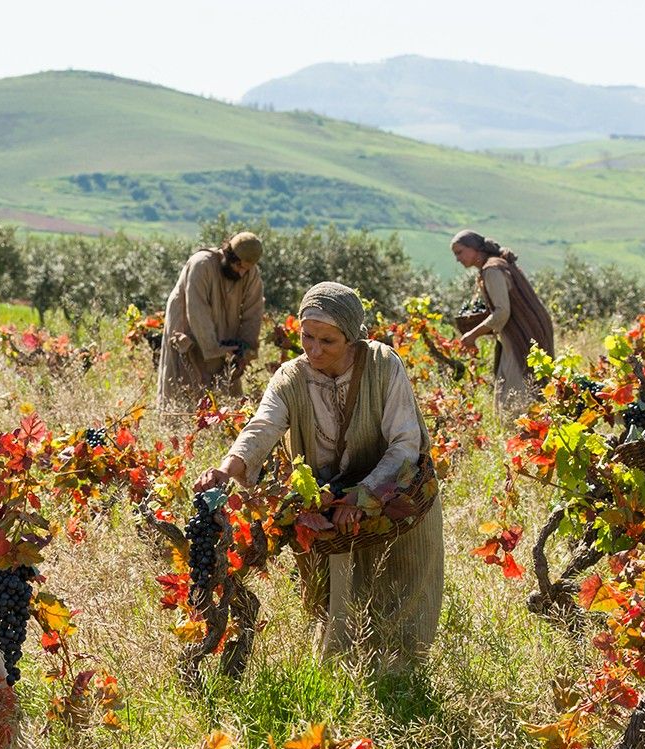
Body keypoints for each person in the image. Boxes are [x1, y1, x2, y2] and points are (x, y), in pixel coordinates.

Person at [193, 282, 443, 668]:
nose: (313, 349)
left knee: (400, 586)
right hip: (327, 504)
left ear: (353, 339)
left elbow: (405, 444)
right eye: (307, 337)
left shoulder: (383, 365)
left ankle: (399, 679)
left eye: (328, 341)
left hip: (394, 492)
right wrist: (228, 469)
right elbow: (262, 426)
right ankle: (338, 673)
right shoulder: (291, 378)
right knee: (330, 598)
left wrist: (364, 496)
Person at [155, 231, 265, 407]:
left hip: (224, 338)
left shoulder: (250, 273)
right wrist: (214, 348)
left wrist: (244, 349)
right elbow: (197, 310)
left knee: (225, 400)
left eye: (247, 269)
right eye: (239, 266)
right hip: (189, 332)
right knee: (185, 393)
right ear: (228, 254)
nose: (242, 273)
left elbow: (254, 312)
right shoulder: (202, 264)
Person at [452, 230, 555, 411]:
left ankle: (523, 432)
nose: (457, 259)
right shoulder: (495, 265)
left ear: (474, 248)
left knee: (518, 389)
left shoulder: (492, 270)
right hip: (525, 329)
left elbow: (502, 312)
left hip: (525, 333)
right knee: (517, 384)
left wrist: (472, 334)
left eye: (459, 252)